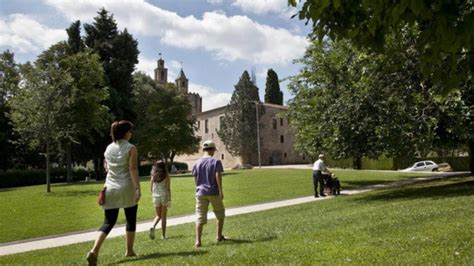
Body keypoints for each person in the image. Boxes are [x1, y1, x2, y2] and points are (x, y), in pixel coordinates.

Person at [87, 120, 141, 265]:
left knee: (108, 222)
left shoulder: (108, 148)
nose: (131, 133)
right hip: (126, 187)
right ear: (125, 132)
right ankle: (129, 251)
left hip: (110, 188)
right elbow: (133, 169)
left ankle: (94, 250)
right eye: (130, 131)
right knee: (130, 218)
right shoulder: (131, 148)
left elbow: (107, 168)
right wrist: (137, 188)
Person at [192, 140, 226, 248]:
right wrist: (220, 191)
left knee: (200, 217)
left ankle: (198, 241)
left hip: (200, 193)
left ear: (203, 150)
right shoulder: (216, 162)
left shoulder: (197, 163)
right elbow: (218, 176)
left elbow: (195, 178)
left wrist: (197, 188)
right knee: (220, 214)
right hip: (213, 192)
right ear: (212, 150)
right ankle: (219, 236)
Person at [149, 161, 171, 240]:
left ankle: (153, 226)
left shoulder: (153, 176)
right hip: (164, 196)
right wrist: (169, 199)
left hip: (155, 196)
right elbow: (168, 189)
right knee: (163, 217)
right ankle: (163, 235)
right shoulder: (166, 175)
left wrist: (154, 192)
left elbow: (150, 189)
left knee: (158, 216)